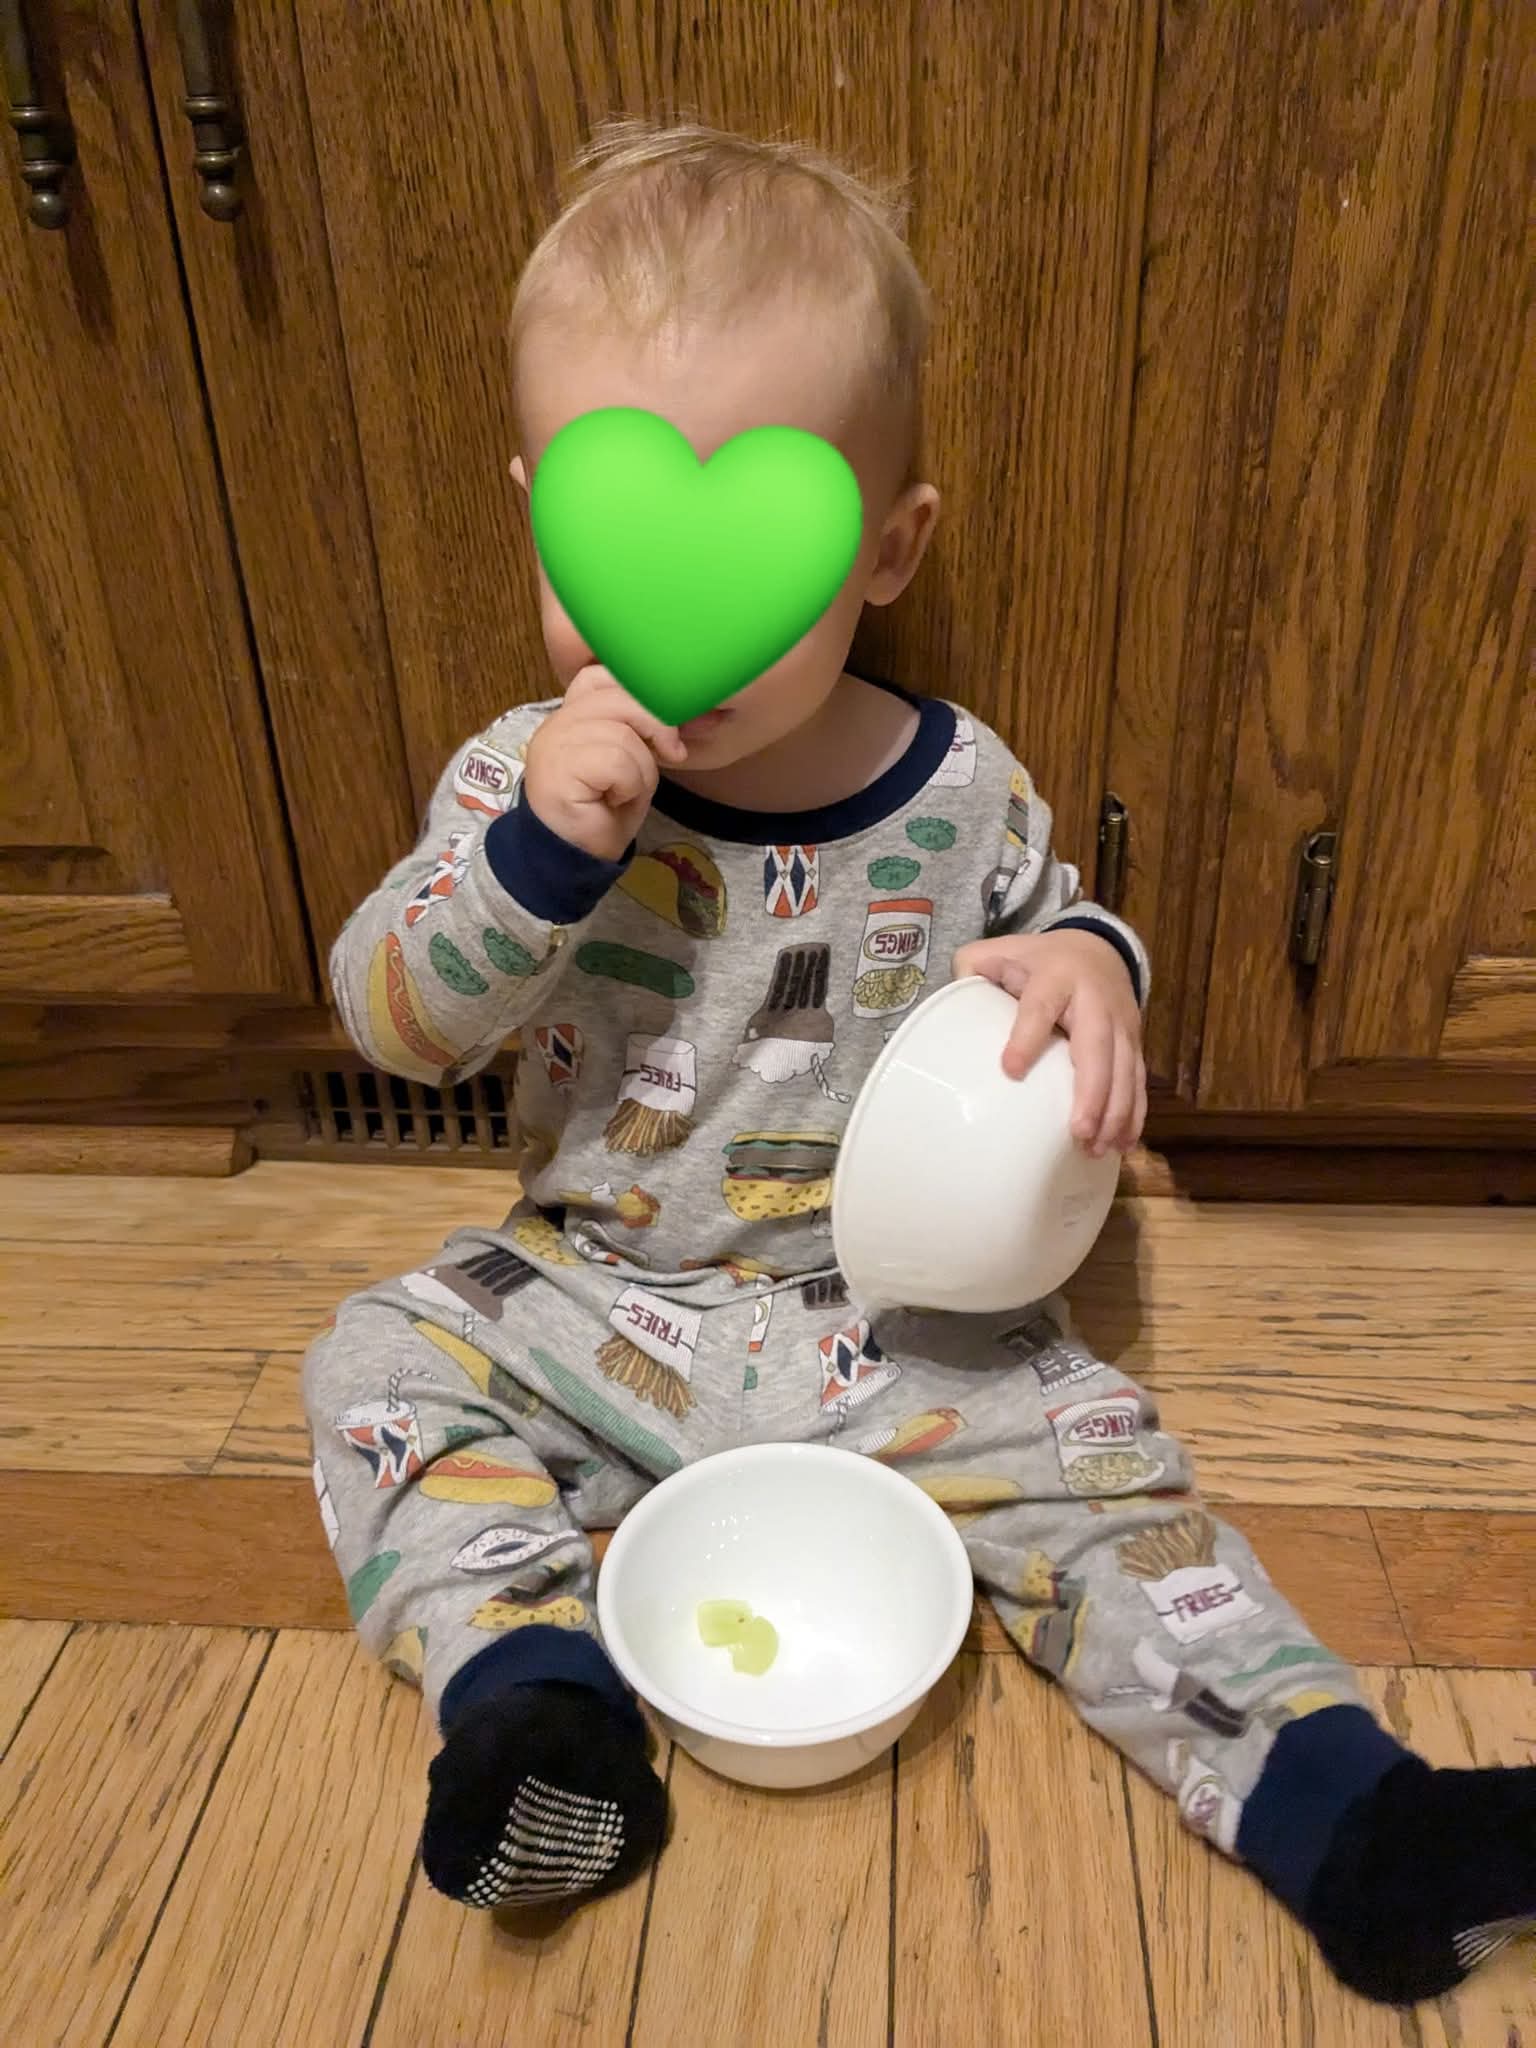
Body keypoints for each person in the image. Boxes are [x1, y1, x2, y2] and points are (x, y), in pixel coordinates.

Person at [305, 120, 1532, 2006]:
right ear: (539, 508)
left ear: (887, 548)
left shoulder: (960, 789)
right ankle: (538, 1719)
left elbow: (1058, 930)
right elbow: (390, 1015)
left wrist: (1096, 973)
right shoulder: (513, 778)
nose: (674, 622)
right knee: (378, 1362)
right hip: (582, 1289)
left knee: (1112, 1480)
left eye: (757, 555)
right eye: (607, 540)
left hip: (897, 1323)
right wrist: (535, 858)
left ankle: (1349, 1813)